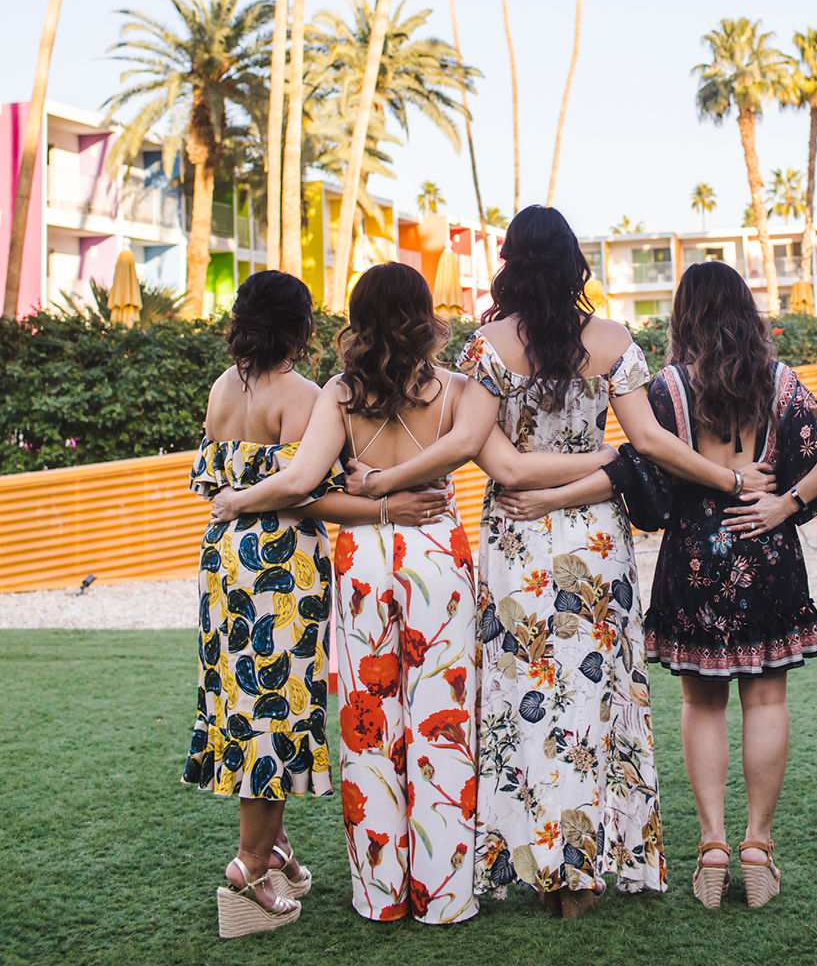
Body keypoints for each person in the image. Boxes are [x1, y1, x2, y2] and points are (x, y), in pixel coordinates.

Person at [210, 262, 611, 925]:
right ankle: (445, 896)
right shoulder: (456, 390)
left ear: (357, 320)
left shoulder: (338, 393)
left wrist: (361, 488)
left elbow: (306, 485)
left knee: (369, 720)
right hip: (436, 556)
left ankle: (379, 895)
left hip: (365, 559)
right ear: (424, 315)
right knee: (440, 719)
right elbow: (505, 466)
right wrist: (607, 459)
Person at [400, 207, 773, 918]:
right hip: (597, 543)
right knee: (594, 704)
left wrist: (547, 483)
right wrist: (721, 479)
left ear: (510, 262)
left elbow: (497, 460)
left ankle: (543, 863)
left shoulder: (486, 348)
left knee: (526, 704)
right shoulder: (612, 341)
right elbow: (648, 450)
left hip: (517, 537)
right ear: (574, 261)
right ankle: (589, 866)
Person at [502, 260, 817, 912]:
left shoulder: (665, 389)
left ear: (683, 316)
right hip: (767, 553)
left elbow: (639, 474)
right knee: (764, 703)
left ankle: (712, 847)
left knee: (702, 706)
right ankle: (757, 846)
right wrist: (785, 504)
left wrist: (547, 495)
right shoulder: (780, 382)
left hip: (693, 560)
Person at [185, 270, 446, 939]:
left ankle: (271, 849)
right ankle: (250, 870)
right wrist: (388, 506)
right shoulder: (302, 394)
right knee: (275, 708)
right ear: (301, 327)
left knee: (242, 707)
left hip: (223, 556)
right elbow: (303, 493)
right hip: (278, 564)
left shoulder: (222, 388)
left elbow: (221, 481)